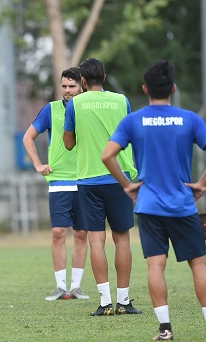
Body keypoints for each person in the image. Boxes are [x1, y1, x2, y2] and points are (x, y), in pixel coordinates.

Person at [102, 60, 206, 340]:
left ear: (145, 88)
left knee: (155, 266)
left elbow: (107, 156)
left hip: (148, 205)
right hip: (182, 204)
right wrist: (203, 184)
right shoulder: (189, 118)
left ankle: (164, 329)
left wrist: (127, 185)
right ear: (173, 88)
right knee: (198, 264)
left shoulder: (133, 120)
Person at [63, 58, 142, 316]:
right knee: (122, 239)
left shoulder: (75, 103)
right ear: (105, 76)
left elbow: (68, 144)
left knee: (96, 240)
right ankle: (125, 301)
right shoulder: (121, 101)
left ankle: (105, 303)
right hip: (119, 177)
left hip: (88, 180)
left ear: (83, 81)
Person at [23, 67, 89, 301]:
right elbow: (27, 137)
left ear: (82, 85)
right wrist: (38, 164)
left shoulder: (88, 108)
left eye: (72, 86)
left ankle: (76, 287)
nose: (67, 91)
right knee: (59, 232)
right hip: (60, 180)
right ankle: (60, 287)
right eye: (64, 86)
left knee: (82, 234)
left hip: (85, 179)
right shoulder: (50, 109)